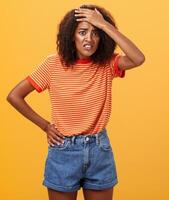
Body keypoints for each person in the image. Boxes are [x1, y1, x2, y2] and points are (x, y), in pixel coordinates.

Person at [6, 4, 145, 200]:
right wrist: (45, 126)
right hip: (63, 150)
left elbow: (138, 58)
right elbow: (14, 96)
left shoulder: (107, 65)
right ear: (71, 35)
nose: (89, 39)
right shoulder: (53, 64)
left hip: (99, 150)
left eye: (95, 33)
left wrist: (104, 25)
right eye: (82, 32)